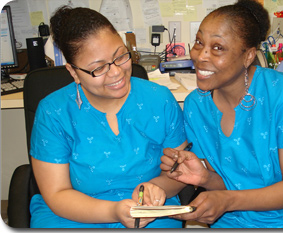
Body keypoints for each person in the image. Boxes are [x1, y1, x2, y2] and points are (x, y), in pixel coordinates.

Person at [161, 0, 283, 228]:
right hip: (237, 219)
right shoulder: (196, 105)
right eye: (199, 42)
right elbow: (229, 184)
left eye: (218, 47)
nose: (200, 56)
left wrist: (227, 201)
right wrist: (205, 177)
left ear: (248, 56)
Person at [29, 6, 187, 228]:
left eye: (120, 56)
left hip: (148, 208)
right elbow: (57, 193)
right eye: (99, 68)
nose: (116, 72)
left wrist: (154, 187)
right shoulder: (53, 112)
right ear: (74, 72)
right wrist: (114, 211)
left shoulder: (159, 100)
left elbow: (178, 171)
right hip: (74, 210)